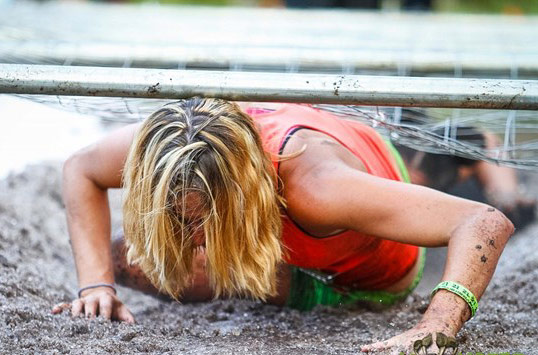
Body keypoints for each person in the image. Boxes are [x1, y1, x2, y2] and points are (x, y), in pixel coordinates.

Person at [53, 98, 514, 353]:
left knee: (426, 173)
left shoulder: (316, 188)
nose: (194, 239)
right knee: (123, 261)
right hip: (336, 157)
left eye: (203, 221)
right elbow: (81, 168)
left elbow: (484, 221)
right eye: (179, 216)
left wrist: (434, 327)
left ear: (246, 192)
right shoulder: (171, 146)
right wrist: (95, 285)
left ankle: (474, 154)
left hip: (373, 271)